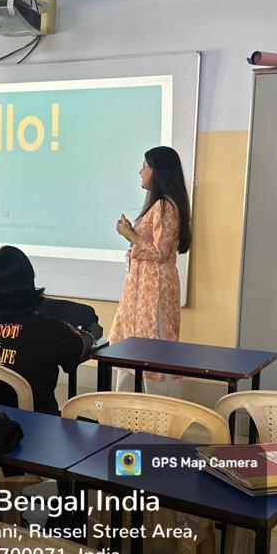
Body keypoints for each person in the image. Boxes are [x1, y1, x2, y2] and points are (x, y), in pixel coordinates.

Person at [0, 246, 88, 415]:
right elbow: (77, 350)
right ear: (28, 283)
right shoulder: (45, 328)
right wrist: (84, 334)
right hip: (32, 424)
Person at [111, 146, 193, 391]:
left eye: (144, 166)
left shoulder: (167, 206)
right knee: (130, 348)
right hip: (139, 290)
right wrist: (132, 233)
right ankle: (122, 410)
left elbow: (159, 252)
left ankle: (161, 411)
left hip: (154, 290)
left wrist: (128, 234)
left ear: (158, 171)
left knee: (155, 350)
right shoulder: (158, 205)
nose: (140, 172)